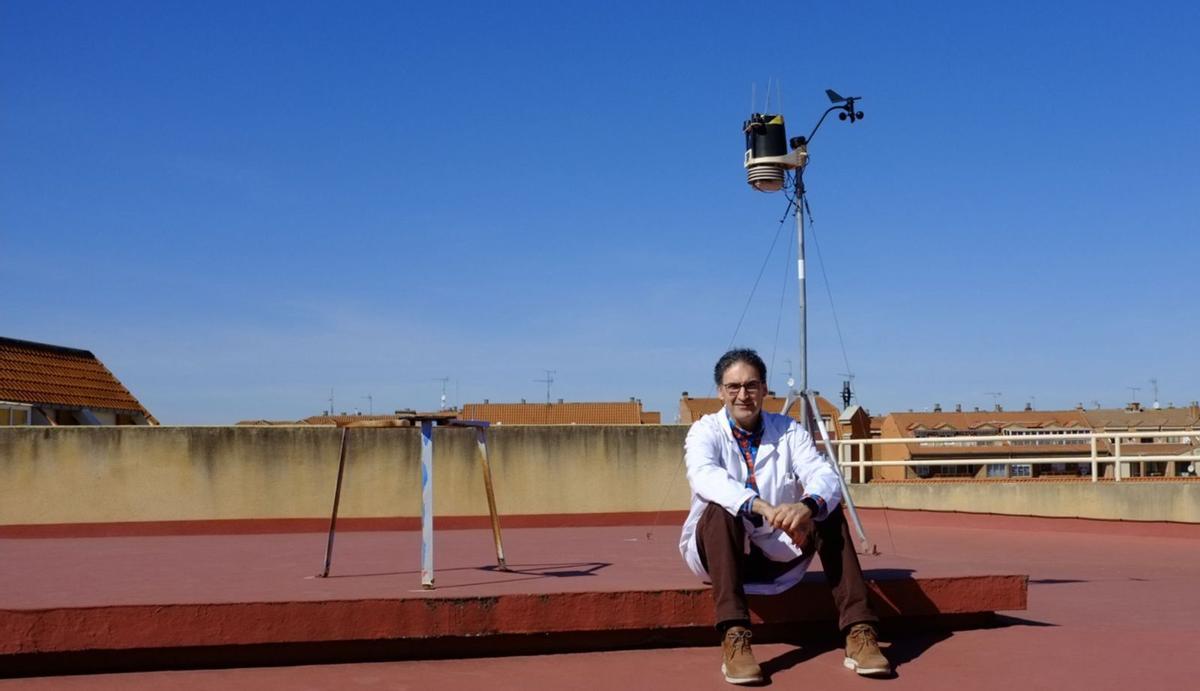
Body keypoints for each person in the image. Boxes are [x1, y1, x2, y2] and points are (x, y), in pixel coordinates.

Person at [679, 348, 891, 684]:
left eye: (751, 385)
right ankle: (736, 637)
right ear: (720, 391)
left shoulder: (789, 430)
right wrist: (760, 505)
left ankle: (859, 631)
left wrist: (806, 508)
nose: (742, 395)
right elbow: (705, 475)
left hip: (782, 553)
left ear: (765, 389)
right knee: (721, 507)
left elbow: (824, 475)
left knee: (827, 508)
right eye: (733, 387)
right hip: (720, 554)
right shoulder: (704, 432)